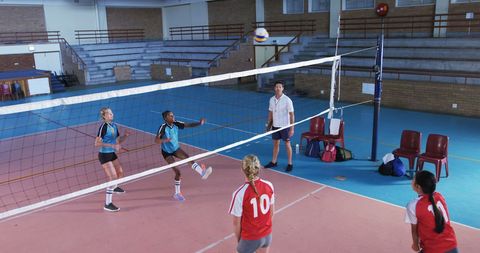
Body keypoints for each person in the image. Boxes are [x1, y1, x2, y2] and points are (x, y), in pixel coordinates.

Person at [155, 110, 212, 201]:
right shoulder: (163, 127)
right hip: (166, 152)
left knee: (188, 158)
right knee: (178, 172)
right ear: (166, 118)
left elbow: (188, 125)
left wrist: (199, 123)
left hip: (176, 149)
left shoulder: (176, 123)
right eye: (171, 116)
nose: (173, 117)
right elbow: (156, 140)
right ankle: (177, 193)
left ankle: (202, 173)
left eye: (173, 115)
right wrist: (165, 140)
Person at [229, 154, 275, 253]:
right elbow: (271, 213)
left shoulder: (239, 193)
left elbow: (236, 223)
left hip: (250, 238)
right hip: (267, 235)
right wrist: (265, 230)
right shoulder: (269, 185)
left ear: (242, 170)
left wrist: (240, 241)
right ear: (259, 168)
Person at [405, 170, 458, 253]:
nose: (411, 181)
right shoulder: (439, 196)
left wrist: (415, 244)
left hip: (433, 249)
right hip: (452, 246)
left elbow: (414, 230)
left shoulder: (413, 205)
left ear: (418, 187)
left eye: (413, 180)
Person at [95, 107, 130, 212]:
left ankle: (114, 187)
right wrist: (112, 145)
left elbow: (118, 140)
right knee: (113, 176)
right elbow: (97, 143)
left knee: (120, 172)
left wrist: (126, 136)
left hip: (112, 154)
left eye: (111, 113)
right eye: (109, 113)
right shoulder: (103, 127)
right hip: (104, 155)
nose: (112, 114)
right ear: (104, 116)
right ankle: (107, 203)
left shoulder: (114, 126)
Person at [264, 81, 295, 172]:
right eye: (276, 87)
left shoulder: (287, 100)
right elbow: (270, 113)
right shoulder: (271, 99)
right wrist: (268, 126)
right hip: (275, 126)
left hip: (285, 126)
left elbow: (292, 115)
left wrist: (292, 128)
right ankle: (274, 162)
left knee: (287, 144)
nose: (278, 88)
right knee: (276, 144)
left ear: (282, 88)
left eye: (280, 87)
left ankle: (290, 163)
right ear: (274, 88)